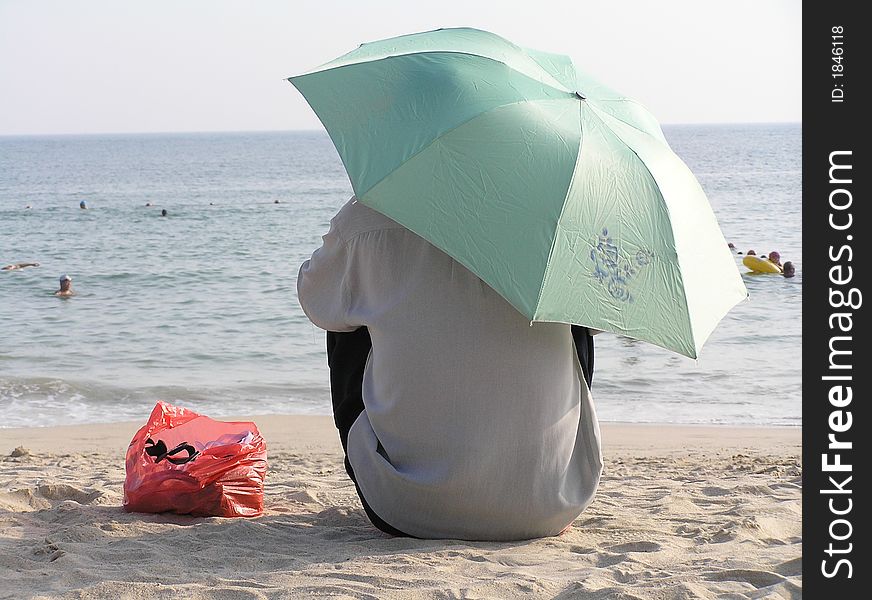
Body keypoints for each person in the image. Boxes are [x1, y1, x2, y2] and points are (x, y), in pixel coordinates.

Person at [298, 198, 601, 541]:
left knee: (343, 310)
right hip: (552, 505)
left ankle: (394, 457)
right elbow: (605, 317)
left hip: (403, 506)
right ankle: (547, 468)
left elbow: (315, 297)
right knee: (577, 319)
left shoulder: (371, 212)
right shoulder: (561, 215)